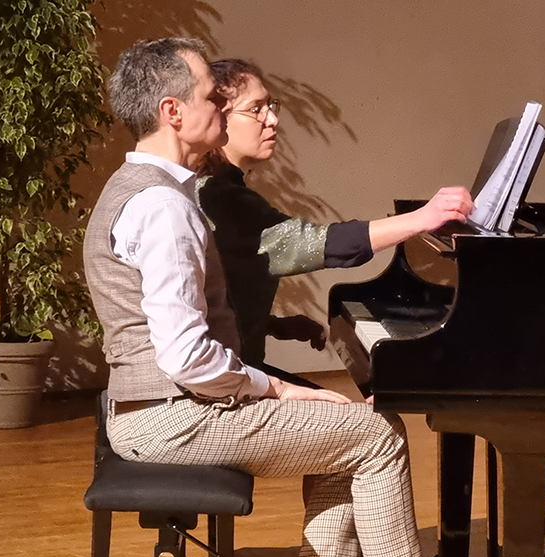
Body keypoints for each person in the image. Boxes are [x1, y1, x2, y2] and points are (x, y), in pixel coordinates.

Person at [83, 37, 472, 557]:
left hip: (148, 408)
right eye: (210, 97)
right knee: (378, 437)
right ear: (172, 111)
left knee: (347, 427)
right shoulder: (167, 206)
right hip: (171, 416)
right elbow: (187, 358)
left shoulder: (131, 188)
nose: (219, 106)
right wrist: (279, 387)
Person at [193, 58, 471, 370]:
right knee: (379, 421)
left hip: (236, 369)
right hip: (231, 381)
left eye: (270, 105)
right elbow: (316, 244)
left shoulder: (213, 188)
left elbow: (213, 296)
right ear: (218, 117)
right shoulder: (222, 197)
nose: (272, 119)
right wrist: (421, 218)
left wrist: (272, 325)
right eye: (255, 109)